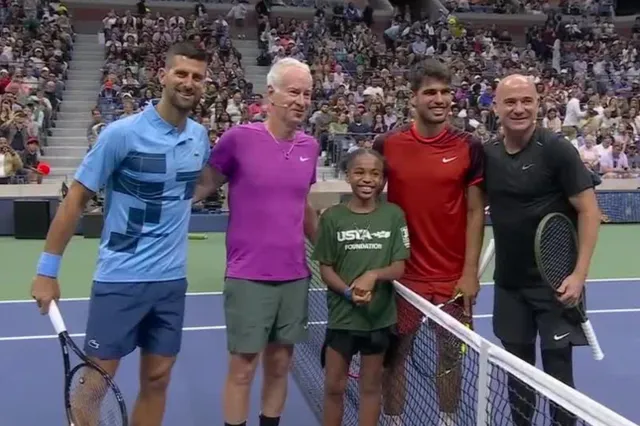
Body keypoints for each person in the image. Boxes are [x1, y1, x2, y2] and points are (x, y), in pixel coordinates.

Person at [30, 42, 211, 426]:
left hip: (171, 283)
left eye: (197, 76)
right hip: (120, 280)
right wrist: (47, 271)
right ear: (162, 76)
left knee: (158, 379)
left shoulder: (199, 138)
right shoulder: (121, 134)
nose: (188, 82)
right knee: (94, 386)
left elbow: (186, 191)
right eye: (181, 73)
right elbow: (75, 200)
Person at [193, 57, 319, 426]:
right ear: (271, 95)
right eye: (293, 92)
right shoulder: (238, 139)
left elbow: (303, 206)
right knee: (244, 369)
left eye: (307, 94)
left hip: (295, 275)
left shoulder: (310, 147)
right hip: (248, 275)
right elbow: (202, 187)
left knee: (280, 366)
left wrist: (333, 252)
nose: (300, 100)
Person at [373, 59, 486, 426]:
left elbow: (474, 213)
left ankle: (447, 421)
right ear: (414, 98)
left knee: (449, 358)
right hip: (403, 277)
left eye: (445, 92)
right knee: (395, 357)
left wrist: (469, 273)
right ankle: (394, 421)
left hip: (453, 279)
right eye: (430, 92)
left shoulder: (469, 146)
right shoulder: (387, 144)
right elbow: (370, 200)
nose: (439, 99)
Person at [484, 74, 601, 426]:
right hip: (509, 286)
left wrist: (579, 276)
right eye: (510, 102)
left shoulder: (556, 149)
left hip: (557, 287)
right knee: (517, 380)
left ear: (538, 104)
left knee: (559, 377)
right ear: (495, 107)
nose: (519, 108)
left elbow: (590, 212)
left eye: (527, 101)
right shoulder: (488, 154)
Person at [314, 148, 410, 426]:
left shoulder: (394, 215)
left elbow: (398, 267)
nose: (367, 179)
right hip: (343, 320)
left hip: (379, 320)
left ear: (383, 180)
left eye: (375, 173)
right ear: (348, 176)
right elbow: (326, 268)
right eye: (359, 172)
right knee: (334, 387)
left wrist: (373, 274)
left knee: (370, 389)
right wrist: (347, 292)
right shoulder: (332, 217)